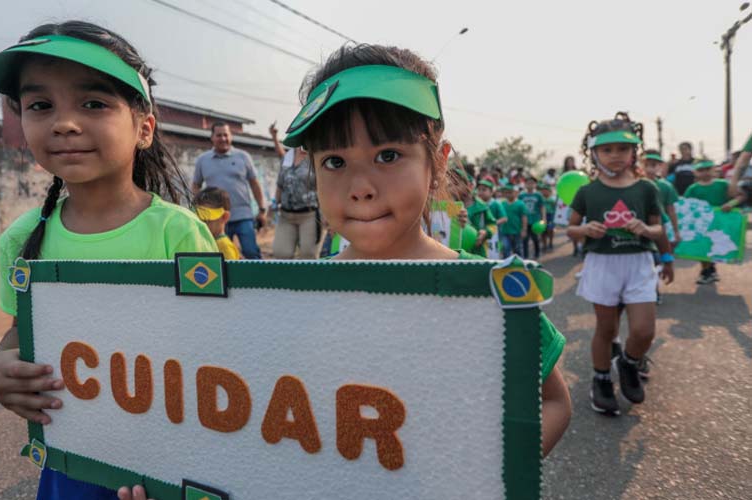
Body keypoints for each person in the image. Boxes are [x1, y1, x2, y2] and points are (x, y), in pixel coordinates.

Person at [281, 43, 570, 456]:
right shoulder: (294, 293)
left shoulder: (489, 291)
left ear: (437, 161)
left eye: (388, 155)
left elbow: (553, 402)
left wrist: (483, 477)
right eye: (335, 162)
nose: (361, 188)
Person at [0, 21, 218, 500]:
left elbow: (214, 346)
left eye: (93, 103)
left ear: (144, 128)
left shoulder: (178, 231)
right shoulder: (22, 239)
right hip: (72, 462)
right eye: (41, 105)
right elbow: (21, 331)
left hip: (165, 458)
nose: (64, 122)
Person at [567, 112, 667, 417]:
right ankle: (600, 381)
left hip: (638, 263)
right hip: (602, 263)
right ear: (593, 153)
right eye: (607, 150)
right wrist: (585, 230)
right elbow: (570, 227)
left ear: (634, 151)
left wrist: (646, 230)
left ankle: (627, 362)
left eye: (622, 149)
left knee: (644, 331)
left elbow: (659, 229)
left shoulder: (647, 189)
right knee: (606, 328)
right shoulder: (586, 191)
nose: (615, 156)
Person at [192, 122, 267, 259]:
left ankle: (258, 280)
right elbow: (196, 185)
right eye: (219, 135)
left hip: (243, 215)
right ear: (212, 138)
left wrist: (262, 209)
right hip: (217, 218)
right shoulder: (203, 160)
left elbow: (255, 184)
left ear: (231, 136)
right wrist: (200, 209)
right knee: (221, 255)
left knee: (251, 252)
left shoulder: (243, 157)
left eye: (226, 135)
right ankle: (230, 281)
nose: (223, 138)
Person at [269, 122, 324, 259]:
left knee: (308, 255)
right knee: (281, 253)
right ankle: (287, 281)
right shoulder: (288, 156)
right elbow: (280, 184)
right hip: (286, 215)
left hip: (310, 215)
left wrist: (327, 215)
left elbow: (326, 186)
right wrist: (274, 204)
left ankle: (307, 280)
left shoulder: (316, 156)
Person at [684, 159, 744, 284]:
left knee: (715, 246)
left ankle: (709, 270)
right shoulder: (693, 188)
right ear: (695, 172)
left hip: (720, 222)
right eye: (701, 170)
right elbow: (685, 205)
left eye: (707, 169)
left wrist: (731, 204)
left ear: (714, 170)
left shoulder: (722, 184)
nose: (705, 173)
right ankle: (707, 271)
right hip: (701, 224)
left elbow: (741, 196)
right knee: (702, 246)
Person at [642, 150, 680, 248]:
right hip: (640, 227)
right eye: (646, 165)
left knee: (665, 255)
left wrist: (676, 231)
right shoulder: (634, 184)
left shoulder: (666, 186)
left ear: (660, 166)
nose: (649, 169)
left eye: (653, 165)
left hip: (661, 227)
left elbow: (671, 210)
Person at [195, 187, 241, 260]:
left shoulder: (224, 246)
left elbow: (232, 271)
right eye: (199, 220)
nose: (202, 225)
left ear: (224, 217)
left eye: (207, 220)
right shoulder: (212, 242)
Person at [519, 176, 546, 258]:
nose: (530, 185)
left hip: (535, 220)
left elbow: (542, 207)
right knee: (525, 239)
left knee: (535, 238)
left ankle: (537, 253)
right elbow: (519, 207)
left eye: (532, 183)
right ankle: (526, 256)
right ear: (525, 184)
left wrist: (543, 218)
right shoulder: (522, 195)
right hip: (525, 221)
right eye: (528, 183)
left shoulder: (538, 195)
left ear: (535, 184)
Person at [499, 184, 528, 258]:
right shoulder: (502, 204)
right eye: (506, 192)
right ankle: (506, 267)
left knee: (517, 250)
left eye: (510, 192)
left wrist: (524, 229)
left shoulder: (520, 204)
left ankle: (519, 267)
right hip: (505, 231)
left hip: (517, 231)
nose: (508, 194)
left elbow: (524, 217)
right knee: (505, 249)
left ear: (515, 193)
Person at [540, 183, 556, 251]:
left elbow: (555, 208)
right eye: (543, 190)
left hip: (550, 216)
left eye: (546, 190)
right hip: (541, 216)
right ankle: (544, 244)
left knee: (550, 230)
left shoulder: (552, 199)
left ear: (550, 192)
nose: (544, 192)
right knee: (542, 231)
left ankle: (550, 243)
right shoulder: (540, 199)